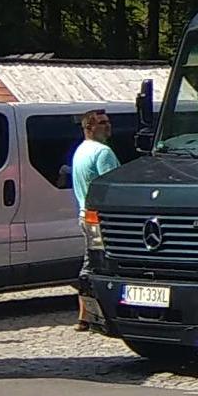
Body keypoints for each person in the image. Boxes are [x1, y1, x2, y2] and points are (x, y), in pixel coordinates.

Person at [70, 109, 120, 330]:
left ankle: (85, 315)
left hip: (85, 214)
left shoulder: (80, 150)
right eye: (102, 123)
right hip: (102, 218)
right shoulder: (103, 152)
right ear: (89, 127)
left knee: (91, 261)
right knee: (98, 265)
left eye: (108, 122)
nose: (107, 126)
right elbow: (112, 188)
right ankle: (95, 314)